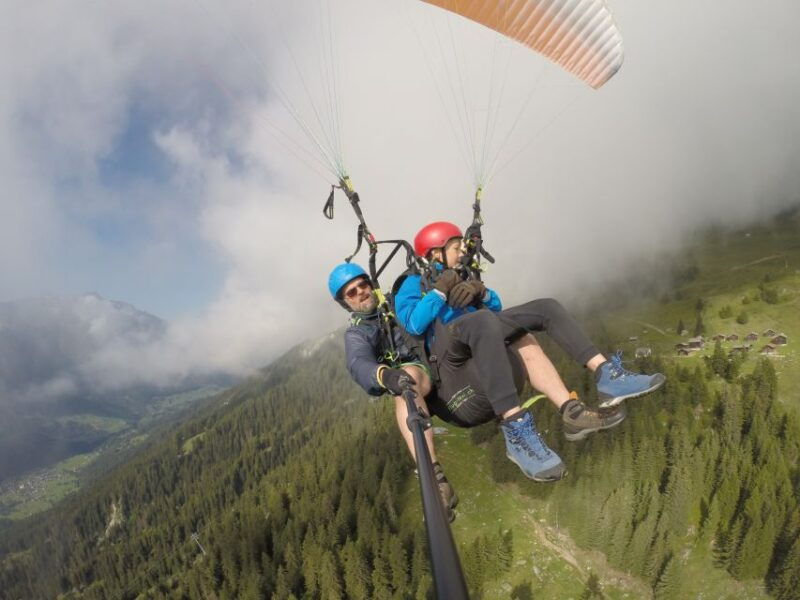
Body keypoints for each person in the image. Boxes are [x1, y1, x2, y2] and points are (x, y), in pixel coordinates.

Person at [393, 221, 666, 481]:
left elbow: (496, 310)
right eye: (455, 247)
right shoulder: (411, 284)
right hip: (449, 361)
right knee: (481, 321)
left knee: (545, 307)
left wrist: (482, 293)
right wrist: (440, 291)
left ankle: (600, 382)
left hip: (478, 338)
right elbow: (413, 324)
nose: (462, 251)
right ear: (434, 253)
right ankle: (516, 428)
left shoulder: (464, 276)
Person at [328, 262, 459, 521]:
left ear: (370, 283)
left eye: (362, 285)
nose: (361, 293)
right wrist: (384, 374)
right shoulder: (358, 333)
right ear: (346, 303)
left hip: (442, 357)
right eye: (351, 293)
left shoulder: (396, 302)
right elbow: (358, 363)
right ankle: (435, 477)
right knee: (405, 386)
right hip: (414, 373)